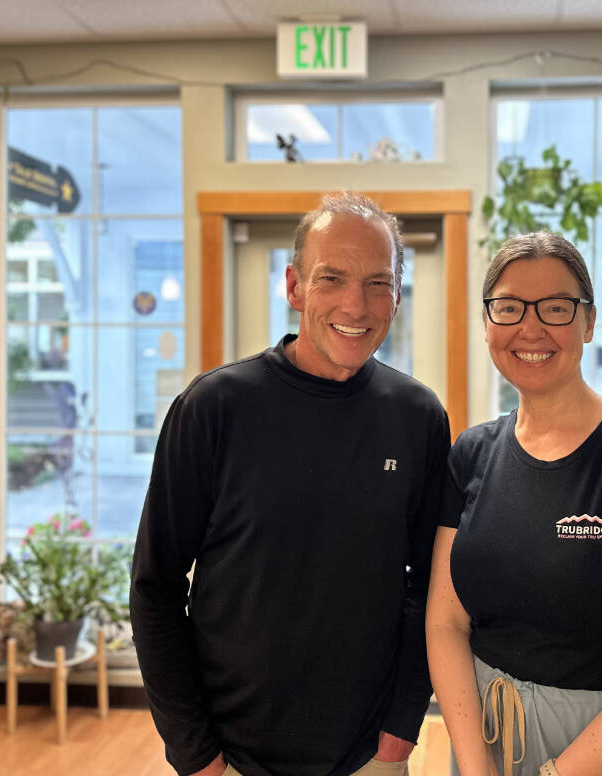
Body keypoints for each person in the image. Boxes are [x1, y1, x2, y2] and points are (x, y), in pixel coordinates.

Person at [131, 192, 451, 776]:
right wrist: (195, 752)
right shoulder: (214, 408)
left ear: (398, 296)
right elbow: (155, 586)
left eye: (379, 283)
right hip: (231, 758)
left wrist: (403, 726)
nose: (356, 303)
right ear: (295, 286)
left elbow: (428, 583)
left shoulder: (418, 417)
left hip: (369, 757)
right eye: (333, 277)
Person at [427, 232, 602, 776]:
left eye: (556, 308)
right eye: (509, 308)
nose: (530, 328)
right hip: (484, 737)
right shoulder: (471, 453)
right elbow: (445, 622)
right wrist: (474, 765)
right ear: (488, 323)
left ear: (588, 322)